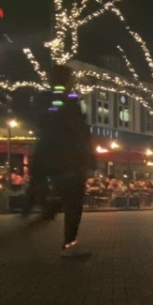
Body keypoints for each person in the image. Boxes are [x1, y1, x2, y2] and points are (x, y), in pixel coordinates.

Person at [22, 64, 93, 256]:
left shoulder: (44, 97)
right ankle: (69, 243)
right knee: (74, 200)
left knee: (60, 194)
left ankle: (42, 209)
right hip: (67, 157)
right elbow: (79, 128)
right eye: (71, 78)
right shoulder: (68, 98)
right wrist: (86, 157)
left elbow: (39, 120)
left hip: (47, 153)